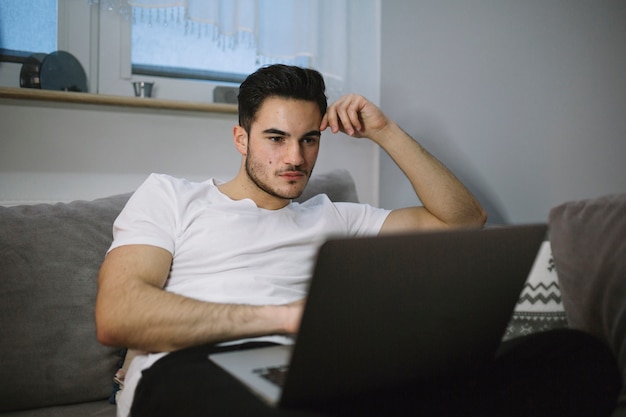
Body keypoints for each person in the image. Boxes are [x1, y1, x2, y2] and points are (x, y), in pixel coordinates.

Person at [95, 65, 619, 417]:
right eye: (276, 139)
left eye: (309, 139)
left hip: (324, 373)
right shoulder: (171, 197)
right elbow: (118, 314)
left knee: (575, 356)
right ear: (241, 138)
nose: (295, 158)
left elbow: (464, 220)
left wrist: (386, 130)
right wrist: (286, 318)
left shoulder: (337, 217)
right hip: (196, 372)